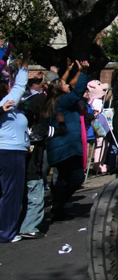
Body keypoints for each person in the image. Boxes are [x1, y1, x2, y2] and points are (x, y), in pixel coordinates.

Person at [20, 77, 67, 239]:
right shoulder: (37, 130)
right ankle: (28, 227)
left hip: (25, 165)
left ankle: (22, 223)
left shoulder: (23, 129)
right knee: (36, 197)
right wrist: (61, 124)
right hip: (33, 165)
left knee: (27, 195)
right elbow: (53, 132)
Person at [45, 59, 90, 222]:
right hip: (66, 148)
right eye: (63, 85)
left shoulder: (54, 102)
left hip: (61, 147)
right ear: (59, 89)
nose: (67, 85)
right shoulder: (63, 101)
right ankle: (59, 204)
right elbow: (78, 91)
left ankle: (59, 207)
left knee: (63, 179)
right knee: (76, 178)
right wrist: (84, 73)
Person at [0, 45, 30, 243]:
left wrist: (25, 59)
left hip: (12, 151)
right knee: (11, 193)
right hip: (9, 153)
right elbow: (20, 85)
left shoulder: (10, 106)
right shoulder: (6, 102)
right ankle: (7, 232)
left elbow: (19, 85)